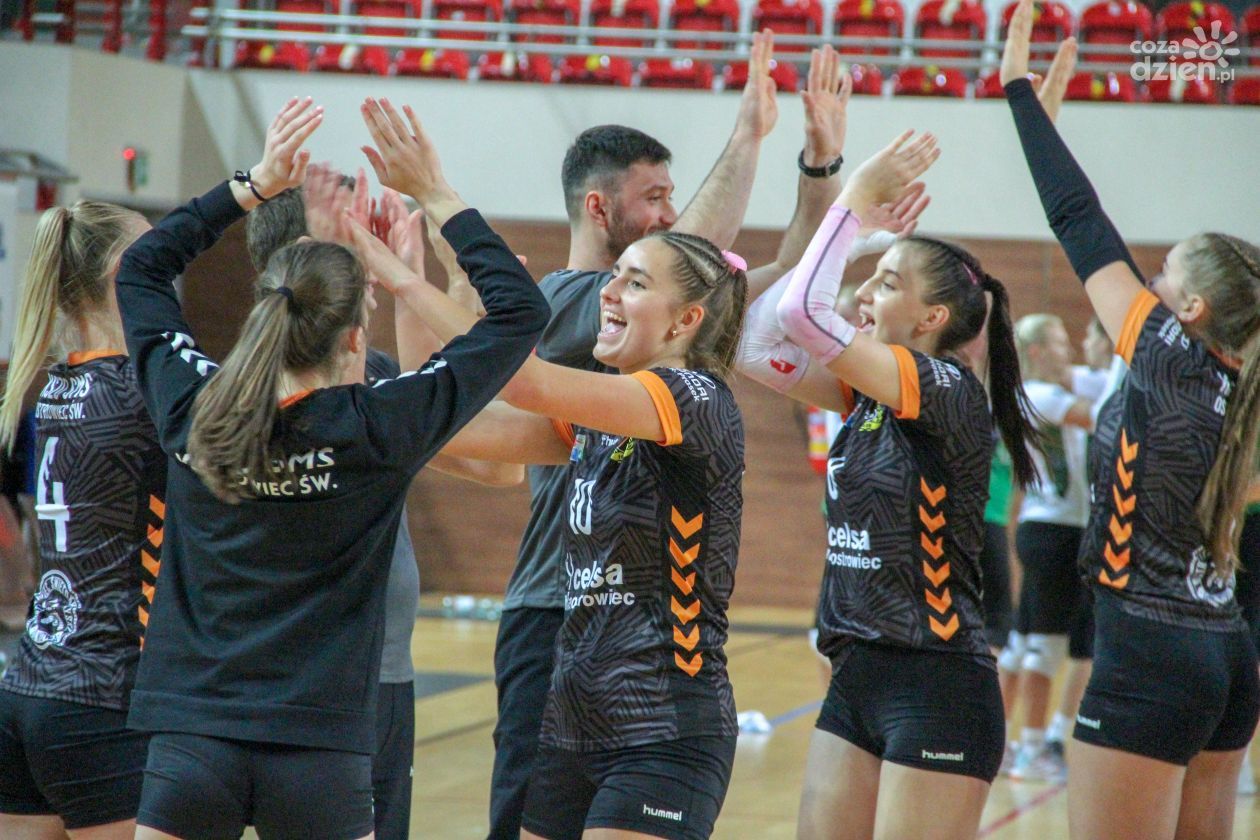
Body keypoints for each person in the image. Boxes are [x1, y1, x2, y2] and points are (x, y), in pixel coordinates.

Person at [120, 97, 549, 839]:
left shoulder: (194, 406)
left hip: (191, 739)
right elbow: (520, 313)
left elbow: (142, 268)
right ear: (355, 337)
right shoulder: (380, 426)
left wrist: (253, 184)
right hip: (321, 753)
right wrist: (433, 197)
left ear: (263, 311)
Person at [348, 95, 751, 839]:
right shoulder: (599, 418)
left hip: (662, 727)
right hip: (573, 722)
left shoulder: (688, 399)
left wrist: (437, 195)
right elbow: (471, 431)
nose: (610, 292)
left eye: (636, 283)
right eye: (615, 275)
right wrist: (401, 287)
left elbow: (521, 373)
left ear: (687, 320)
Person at [485, 36, 857, 840]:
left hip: (654, 688)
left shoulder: (680, 386)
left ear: (685, 317)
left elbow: (776, 272)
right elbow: (480, 424)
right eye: (654, 197)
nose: (670, 214)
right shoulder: (574, 301)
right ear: (598, 208)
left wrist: (819, 165)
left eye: (672, 197)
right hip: (561, 634)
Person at [739, 130, 1045, 840]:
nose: (866, 292)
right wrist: (860, 242)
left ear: (933, 319)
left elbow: (801, 315)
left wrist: (851, 203)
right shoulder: (868, 394)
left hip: (936, 682)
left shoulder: (944, 387)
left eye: (887, 282)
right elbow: (756, 343)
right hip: (856, 675)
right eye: (872, 277)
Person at [1002, 3, 1260, 836]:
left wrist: (1019, 98)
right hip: (1226, 649)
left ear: (1189, 309)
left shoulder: (1165, 352)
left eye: (1164, 272)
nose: (1145, 281)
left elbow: (1079, 220)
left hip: (1149, 652)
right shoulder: (1239, 385)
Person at [244, 171, 522, 839]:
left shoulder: (376, 380)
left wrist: (437, 286)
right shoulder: (243, 390)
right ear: (305, 254)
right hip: (283, 681)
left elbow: (495, 463)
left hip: (381, 675)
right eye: (353, 227)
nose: (372, 244)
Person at [0, 199, 163, 839]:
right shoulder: (139, 392)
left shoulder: (55, 389)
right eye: (159, 256)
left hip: (25, 685)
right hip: (101, 695)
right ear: (126, 270)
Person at [1000, 313, 1097, 783]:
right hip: (1055, 533)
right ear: (1036, 351)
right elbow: (1100, 415)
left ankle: (1001, 745)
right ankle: (1033, 749)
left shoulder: (1042, 393)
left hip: (1050, 531)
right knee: (1044, 648)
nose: (1069, 351)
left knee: (1021, 645)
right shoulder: (1041, 395)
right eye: (1059, 343)